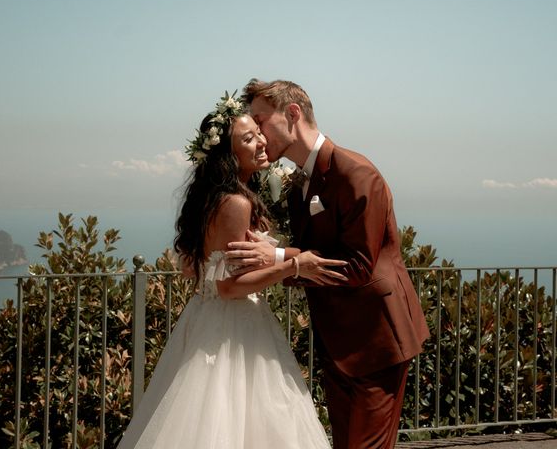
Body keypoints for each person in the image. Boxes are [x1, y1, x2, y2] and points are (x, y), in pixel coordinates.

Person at [115, 92, 347, 449]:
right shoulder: (235, 203)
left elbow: (207, 272)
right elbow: (229, 287)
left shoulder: (222, 198)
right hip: (232, 328)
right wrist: (293, 265)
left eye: (258, 132)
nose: (261, 142)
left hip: (212, 321)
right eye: (248, 138)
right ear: (228, 153)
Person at [225, 79, 430, 449]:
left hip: (377, 341)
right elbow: (310, 253)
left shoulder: (355, 173)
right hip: (339, 345)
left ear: (292, 114)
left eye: (260, 119)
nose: (256, 131)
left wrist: (277, 257)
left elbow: (356, 266)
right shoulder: (298, 183)